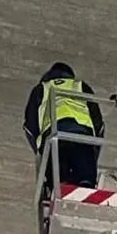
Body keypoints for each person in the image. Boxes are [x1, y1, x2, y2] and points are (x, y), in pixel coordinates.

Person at [23, 61, 103, 196]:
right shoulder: (80, 86)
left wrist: (40, 149)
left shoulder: (41, 89)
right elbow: (98, 121)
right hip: (82, 136)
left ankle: (59, 188)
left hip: (54, 138)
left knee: (58, 182)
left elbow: (30, 126)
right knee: (85, 179)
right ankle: (85, 184)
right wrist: (95, 148)